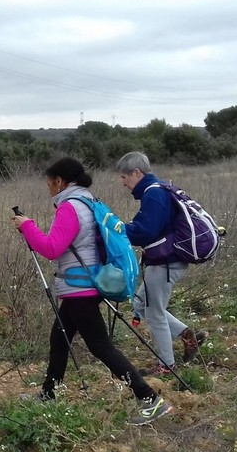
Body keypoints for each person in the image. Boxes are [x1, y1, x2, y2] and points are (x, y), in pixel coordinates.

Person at [12, 157, 172, 425]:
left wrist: (27, 226)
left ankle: (149, 399)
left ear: (60, 181)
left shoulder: (70, 208)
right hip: (85, 285)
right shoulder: (89, 201)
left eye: (50, 183)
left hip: (79, 288)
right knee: (59, 339)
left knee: (101, 347)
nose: (49, 188)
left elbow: (52, 248)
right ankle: (49, 394)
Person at [115, 151, 208, 375]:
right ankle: (188, 335)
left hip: (165, 263)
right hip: (166, 261)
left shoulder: (153, 194)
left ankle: (166, 366)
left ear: (137, 172)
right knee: (140, 304)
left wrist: (116, 229)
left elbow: (145, 232)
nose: (124, 183)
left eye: (124, 177)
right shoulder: (158, 189)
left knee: (155, 312)